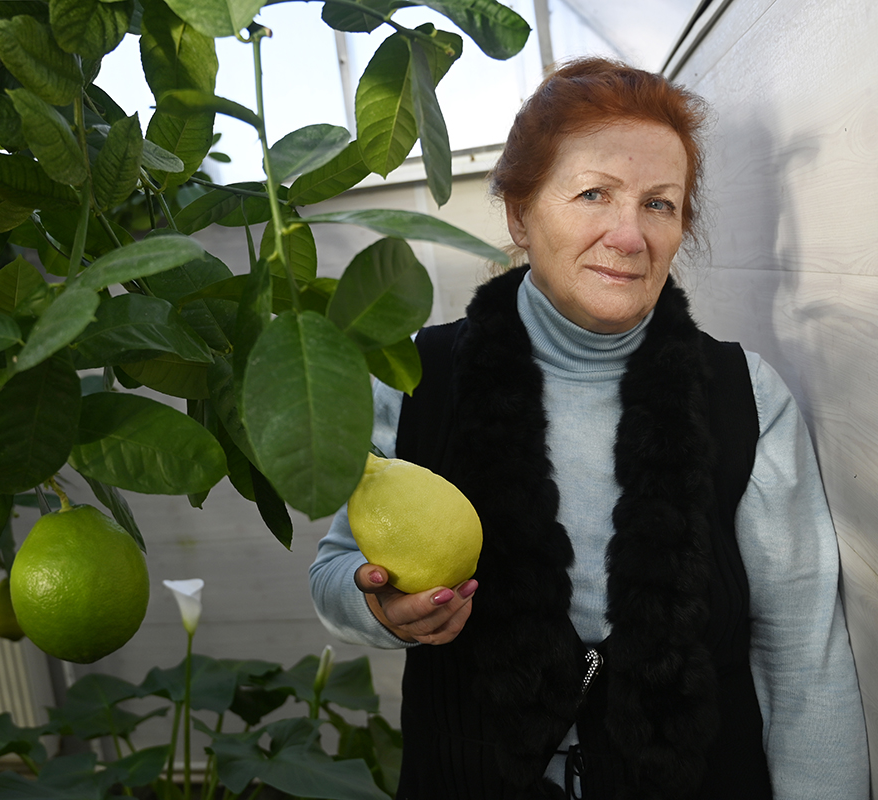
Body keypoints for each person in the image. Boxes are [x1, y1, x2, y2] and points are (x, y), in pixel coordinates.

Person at [309, 57, 869, 800]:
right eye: (593, 194)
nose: (629, 236)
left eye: (659, 204)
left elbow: (803, 655)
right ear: (520, 215)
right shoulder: (417, 379)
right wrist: (381, 607)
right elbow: (334, 572)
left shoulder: (744, 397)